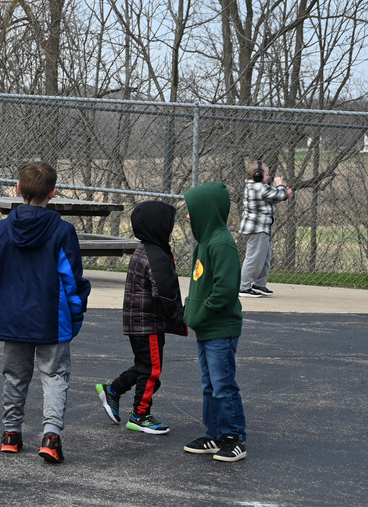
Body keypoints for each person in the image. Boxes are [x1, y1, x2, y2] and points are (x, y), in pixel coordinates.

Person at [0, 162, 90, 463]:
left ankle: (11, 434)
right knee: (54, 374)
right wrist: (76, 314)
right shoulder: (63, 231)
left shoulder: (2, 230)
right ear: (53, 193)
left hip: (12, 317)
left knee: (14, 375)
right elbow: (72, 280)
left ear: (18, 188)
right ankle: (51, 436)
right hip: (51, 319)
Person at [96, 201, 186, 435]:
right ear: (158, 227)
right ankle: (140, 414)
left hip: (138, 323)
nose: (169, 230)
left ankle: (113, 390)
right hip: (148, 324)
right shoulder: (156, 255)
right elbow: (164, 293)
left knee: (145, 366)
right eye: (168, 225)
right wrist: (177, 315)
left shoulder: (145, 249)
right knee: (152, 371)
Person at [182, 181, 248, 462]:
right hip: (206, 328)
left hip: (220, 327)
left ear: (207, 211)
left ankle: (234, 437)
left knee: (223, 385)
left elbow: (224, 289)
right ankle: (214, 434)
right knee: (209, 385)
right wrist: (191, 311)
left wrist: (202, 313)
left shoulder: (222, 243)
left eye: (192, 211)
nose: (188, 216)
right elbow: (199, 284)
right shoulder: (205, 243)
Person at [239, 160, 292, 297]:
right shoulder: (258, 188)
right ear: (257, 175)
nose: (269, 177)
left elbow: (274, 197)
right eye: (267, 174)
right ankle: (243, 287)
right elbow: (278, 194)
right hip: (257, 230)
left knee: (265, 257)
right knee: (254, 258)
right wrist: (280, 186)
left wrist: (283, 194)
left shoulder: (257, 188)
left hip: (259, 230)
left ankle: (259, 285)